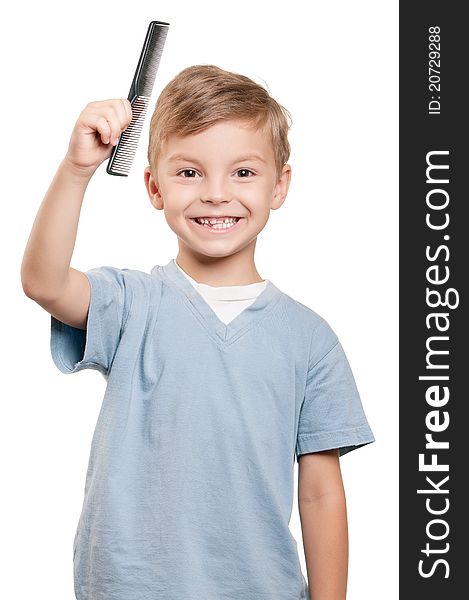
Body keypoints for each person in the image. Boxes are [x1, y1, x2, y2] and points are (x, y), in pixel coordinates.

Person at [21, 64, 375, 600]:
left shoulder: (310, 340)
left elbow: (321, 493)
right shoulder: (131, 303)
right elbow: (44, 283)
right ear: (154, 186)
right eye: (189, 173)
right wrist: (76, 170)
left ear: (280, 185)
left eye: (242, 172)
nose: (215, 193)